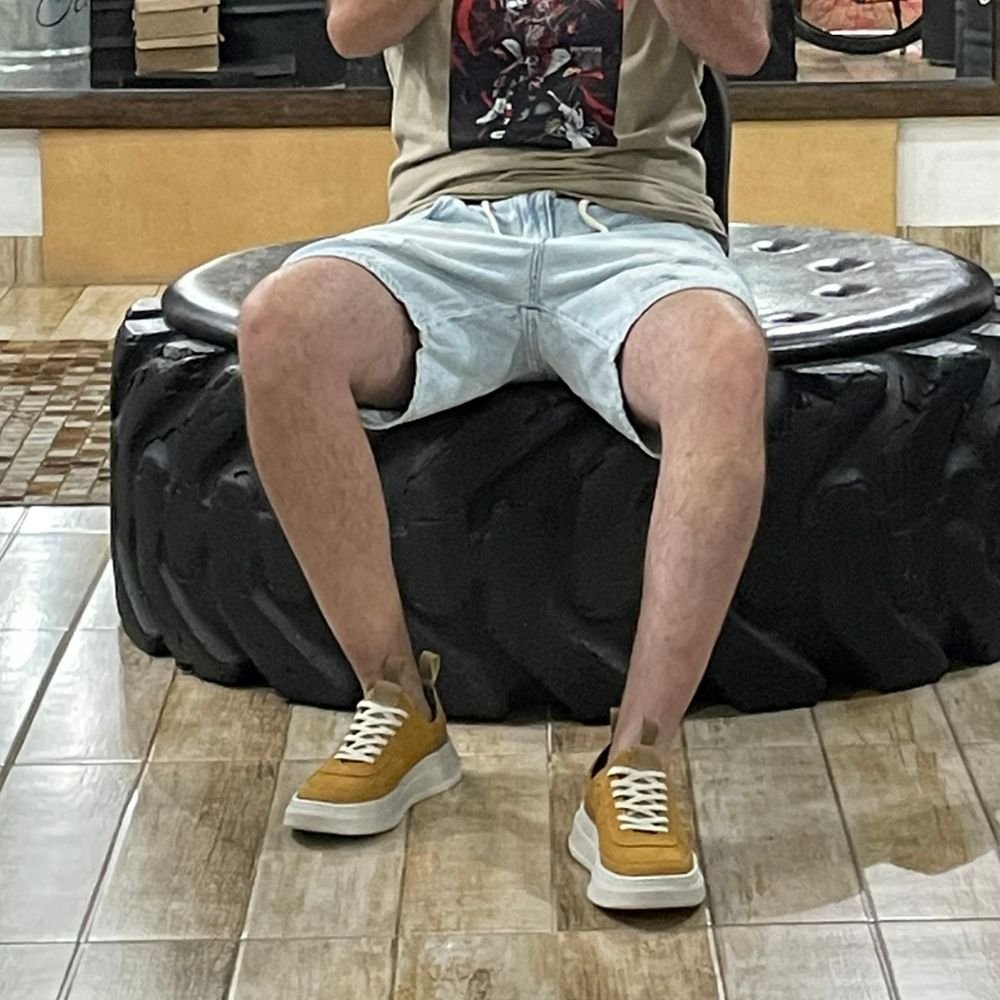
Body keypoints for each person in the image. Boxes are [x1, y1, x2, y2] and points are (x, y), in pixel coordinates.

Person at [239, 0, 771, 911]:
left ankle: (639, 758)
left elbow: (744, 46)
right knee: (279, 325)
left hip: (638, 226)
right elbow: (352, 31)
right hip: (449, 228)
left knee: (724, 361)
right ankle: (398, 701)